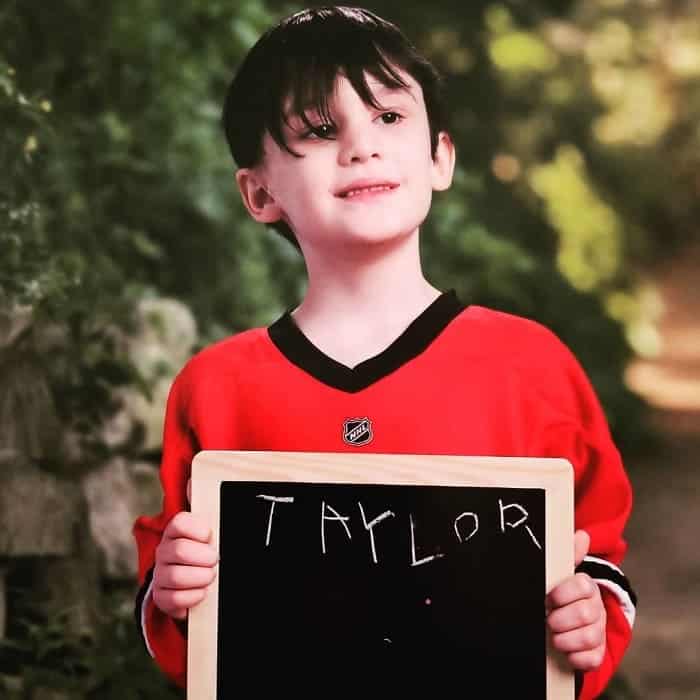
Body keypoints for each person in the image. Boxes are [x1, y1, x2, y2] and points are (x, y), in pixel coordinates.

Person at [133, 6, 636, 698]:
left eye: (389, 118)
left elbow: (599, 558)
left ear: (441, 158)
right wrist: (170, 588)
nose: (361, 148)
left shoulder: (532, 367)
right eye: (318, 129)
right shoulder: (216, 387)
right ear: (258, 192)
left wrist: (589, 619)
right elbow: (175, 604)